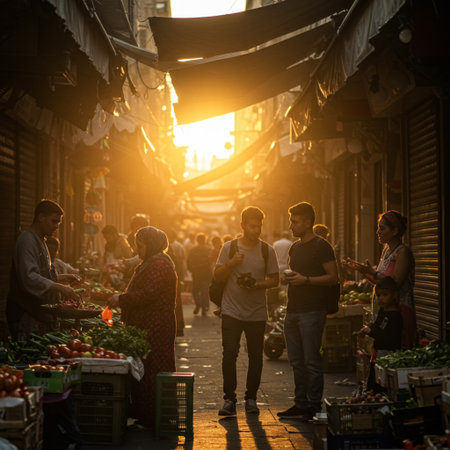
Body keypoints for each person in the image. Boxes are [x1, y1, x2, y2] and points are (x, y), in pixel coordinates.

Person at [107, 226, 177, 429]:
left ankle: (156, 416)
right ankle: (146, 415)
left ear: (151, 244)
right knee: (144, 367)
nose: (137, 250)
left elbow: (148, 294)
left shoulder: (159, 265)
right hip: (147, 324)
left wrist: (121, 299)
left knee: (153, 368)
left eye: (140, 245)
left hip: (156, 326)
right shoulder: (150, 262)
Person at [214, 206, 279, 416]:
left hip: (256, 312)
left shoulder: (266, 250)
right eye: (252, 226)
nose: (256, 230)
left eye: (259, 226)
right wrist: (232, 263)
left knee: (255, 357)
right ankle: (229, 399)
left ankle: (251, 398)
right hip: (231, 310)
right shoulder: (229, 248)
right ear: (242, 226)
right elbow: (217, 276)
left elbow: (275, 280)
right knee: (229, 354)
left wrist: (257, 285)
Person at [278, 202, 339, 420]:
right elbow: (297, 275)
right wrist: (289, 278)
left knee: (311, 360)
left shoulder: (321, 246)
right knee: (296, 361)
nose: (291, 226)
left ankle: (313, 405)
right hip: (292, 311)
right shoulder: (295, 247)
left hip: (312, 312)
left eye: (294, 222)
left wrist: (306, 280)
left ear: (307, 222)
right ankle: (300, 403)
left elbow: (333, 277)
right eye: (291, 221)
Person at [6, 199, 80, 339]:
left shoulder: (41, 240)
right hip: (25, 312)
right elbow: (29, 277)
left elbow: (42, 276)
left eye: (58, 223)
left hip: (38, 312)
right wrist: (61, 288)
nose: (56, 226)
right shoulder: (27, 240)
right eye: (54, 221)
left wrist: (64, 277)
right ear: (41, 217)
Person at [342, 210, 416, 349]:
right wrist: (362, 270)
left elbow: (393, 284)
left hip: (399, 312)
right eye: (378, 228)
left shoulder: (403, 252)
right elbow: (380, 283)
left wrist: (371, 271)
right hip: (384, 311)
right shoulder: (386, 251)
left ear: (395, 231)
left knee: (397, 348)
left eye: (382, 228)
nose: (378, 232)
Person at [359, 276, 403, 390]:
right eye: (378, 295)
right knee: (374, 385)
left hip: (388, 357)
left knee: (383, 386)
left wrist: (371, 331)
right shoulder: (383, 311)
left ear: (394, 295)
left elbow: (388, 337)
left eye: (385, 295)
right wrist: (369, 328)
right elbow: (377, 326)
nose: (380, 299)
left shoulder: (395, 316)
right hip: (378, 355)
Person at [187, 233, 213, 316]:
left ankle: (198, 304)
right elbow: (212, 262)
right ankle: (204, 308)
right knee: (204, 291)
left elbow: (188, 261)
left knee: (195, 290)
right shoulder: (209, 249)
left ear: (197, 240)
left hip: (196, 272)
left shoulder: (193, 250)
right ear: (205, 240)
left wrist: (191, 269)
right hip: (206, 273)